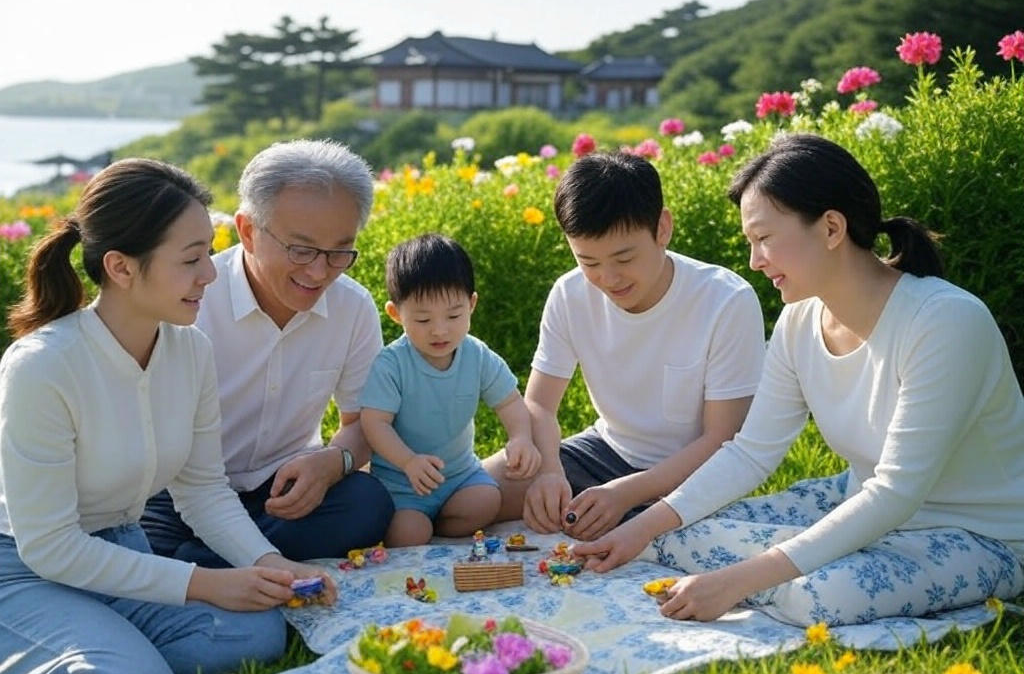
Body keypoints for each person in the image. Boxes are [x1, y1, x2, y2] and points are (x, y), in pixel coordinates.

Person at [573, 133, 1024, 626]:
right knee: (668, 535)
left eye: (763, 239)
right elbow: (751, 452)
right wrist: (639, 530)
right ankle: (780, 566)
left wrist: (736, 581)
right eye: (751, 242)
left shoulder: (946, 322)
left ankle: (780, 574)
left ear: (831, 227)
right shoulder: (800, 320)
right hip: (857, 501)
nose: (754, 261)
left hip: (981, 535)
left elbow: (897, 491)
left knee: (820, 596)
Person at [0, 159, 336, 674]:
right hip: (22, 567)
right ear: (121, 267)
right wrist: (206, 584)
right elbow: (51, 546)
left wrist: (269, 566)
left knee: (255, 632)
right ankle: (103, 661)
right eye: (190, 259)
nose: (210, 273)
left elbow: (203, 490)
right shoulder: (41, 367)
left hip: (123, 548)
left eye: (209, 251)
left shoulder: (190, 349)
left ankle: (88, 652)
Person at [485, 151, 766, 542]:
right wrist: (549, 470)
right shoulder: (570, 294)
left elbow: (722, 441)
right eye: (588, 261)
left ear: (662, 227)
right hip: (602, 453)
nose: (608, 278)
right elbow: (540, 405)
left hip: (696, 476)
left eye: (624, 257)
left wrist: (626, 494)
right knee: (468, 499)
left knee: (685, 544)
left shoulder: (725, 300)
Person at [142, 140, 393, 565]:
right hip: (177, 492)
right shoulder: (189, 301)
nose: (318, 272)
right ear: (248, 231)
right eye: (301, 249)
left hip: (280, 491)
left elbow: (364, 424)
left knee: (368, 502)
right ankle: (225, 562)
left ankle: (204, 566)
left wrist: (334, 461)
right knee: (139, 533)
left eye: (338, 252)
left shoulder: (352, 308)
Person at [360, 234, 541, 547]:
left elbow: (510, 402)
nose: (440, 330)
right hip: (403, 484)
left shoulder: (477, 355)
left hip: (460, 476)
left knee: (486, 500)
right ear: (395, 313)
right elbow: (374, 423)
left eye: (454, 315)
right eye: (423, 319)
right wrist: (408, 462)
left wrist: (521, 437)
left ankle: (443, 522)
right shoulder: (392, 364)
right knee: (409, 535)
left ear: (471, 304)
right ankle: (422, 522)